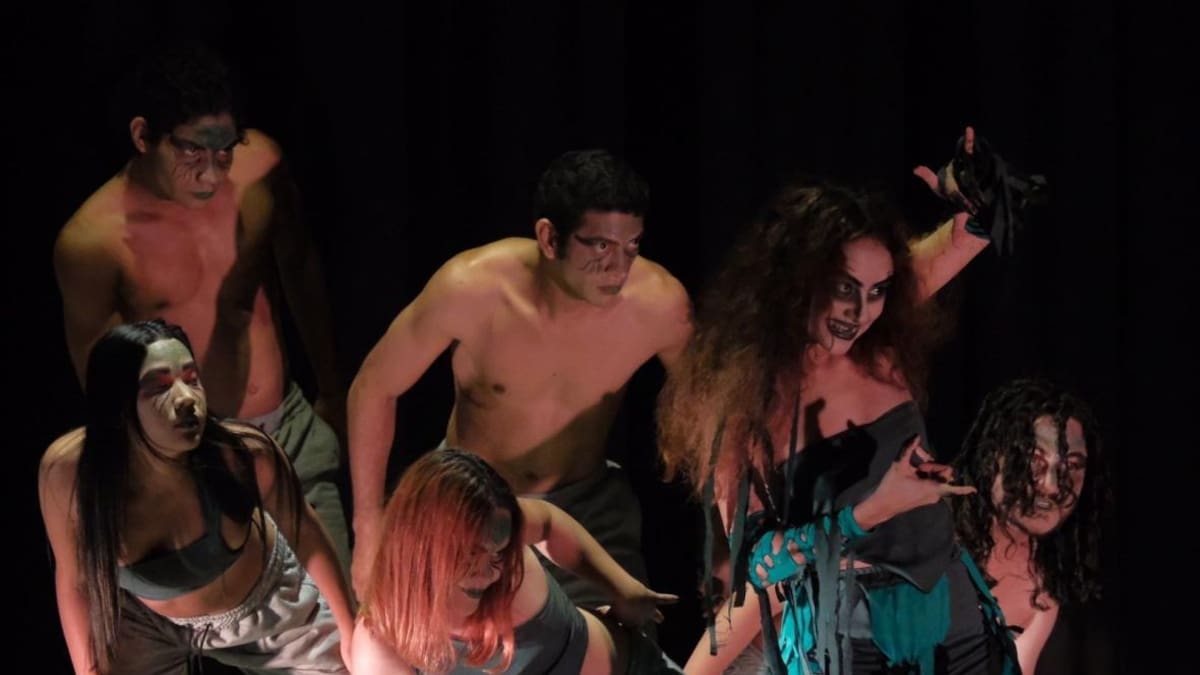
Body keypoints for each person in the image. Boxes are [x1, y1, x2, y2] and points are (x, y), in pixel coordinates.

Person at [658, 166, 1024, 673]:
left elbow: (972, 233)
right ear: (798, 279)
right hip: (849, 641)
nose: (860, 311)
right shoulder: (745, 403)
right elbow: (761, 566)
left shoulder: (881, 346)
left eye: (878, 290)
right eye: (844, 287)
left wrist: (977, 194)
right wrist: (868, 513)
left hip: (953, 617)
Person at [347, 149, 693, 609]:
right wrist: (369, 526)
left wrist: (724, 530)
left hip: (584, 507)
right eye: (600, 247)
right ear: (549, 238)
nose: (619, 267)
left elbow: (717, 414)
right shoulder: (472, 288)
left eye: (631, 246)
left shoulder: (658, 305)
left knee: (621, 639)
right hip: (467, 502)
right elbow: (374, 387)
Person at [52, 41, 350, 571]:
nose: (212, 174)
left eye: (224, 151)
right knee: (239, 617)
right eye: (192, 152)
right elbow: (106, 384)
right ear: (143, 136)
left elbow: (301, 268)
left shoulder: (261, 169)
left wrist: (331, 388)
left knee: (342, 608)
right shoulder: (94, 243)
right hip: (197, 461)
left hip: (290, 434)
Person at [38, 320, 353, 674]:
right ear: (119, 406)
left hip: (266, 610)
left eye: (191, 380)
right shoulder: (71, 473)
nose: (187, 399)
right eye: (160, 387)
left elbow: (304, 530)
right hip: (143, 623)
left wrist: (350, 631)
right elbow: (76, 582)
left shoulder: (244, 455)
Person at [351, 448, 682, 674]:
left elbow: (548, 522)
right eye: (470, 555)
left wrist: (622, 587)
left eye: (498, 552)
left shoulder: (493, 523)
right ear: (421, 547)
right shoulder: (382, 639)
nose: (489, 572)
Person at [952, 378, 1108, 675]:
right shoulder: (930, 529)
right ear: (990, 456)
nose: (1052, 486)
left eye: (1072, 465)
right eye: (1033, 460)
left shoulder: (1045, 588)